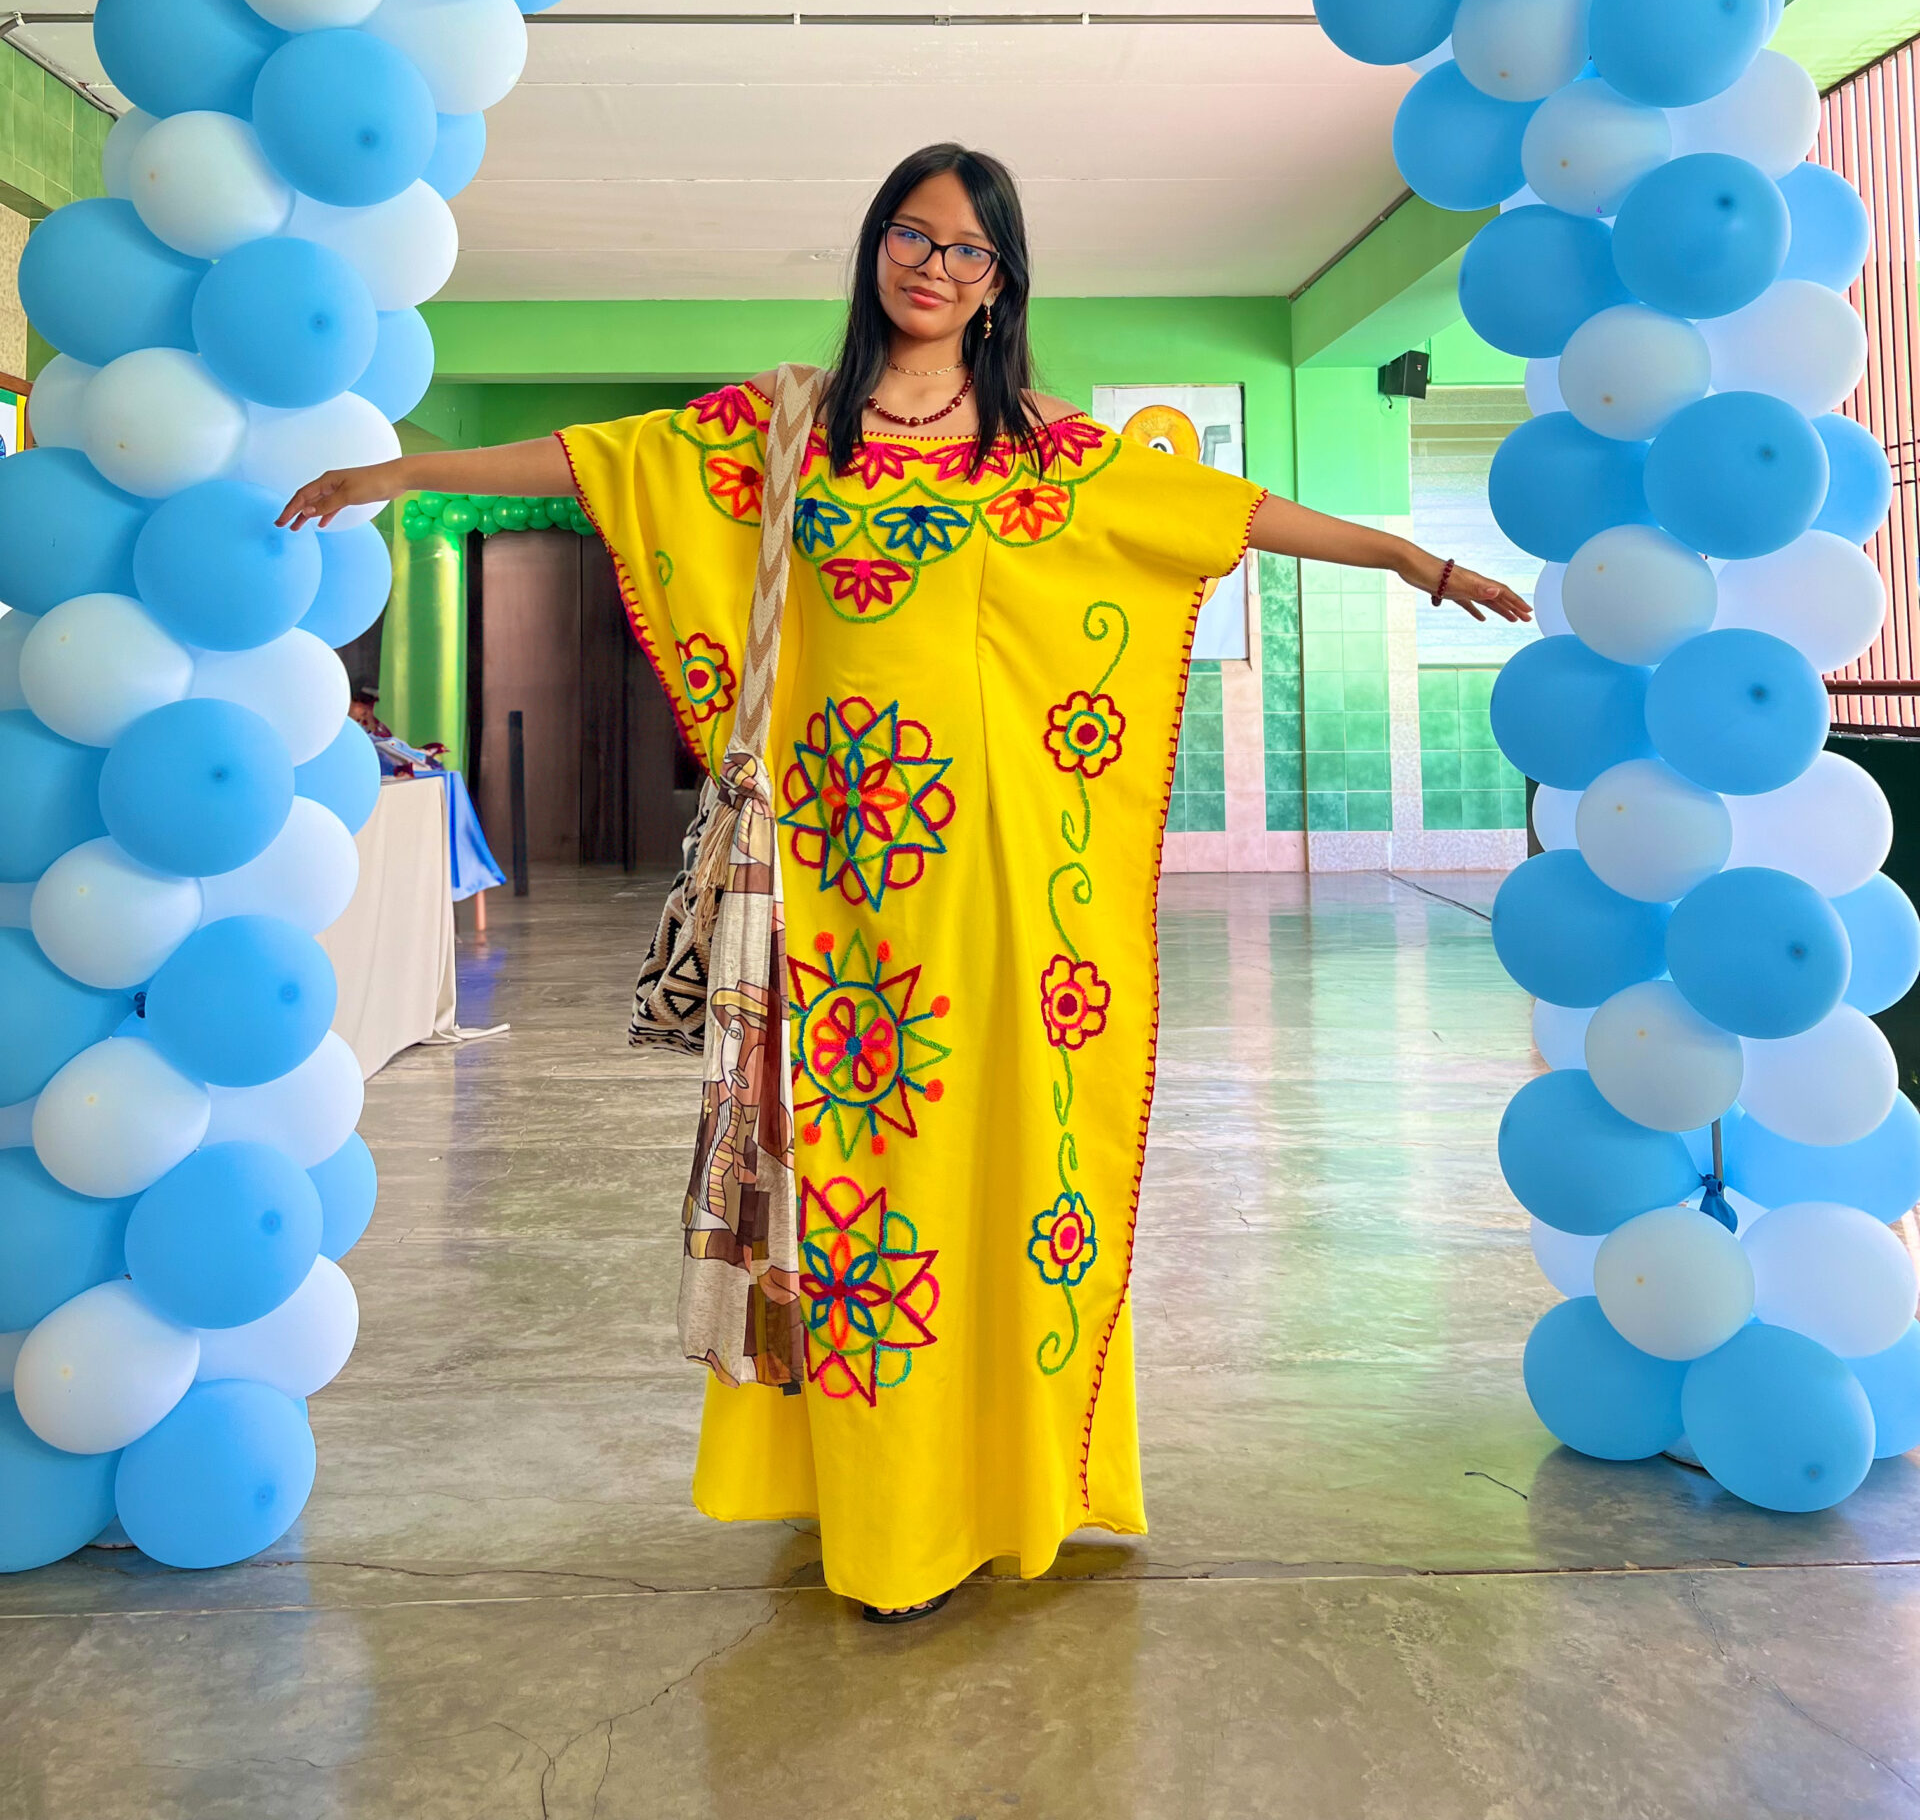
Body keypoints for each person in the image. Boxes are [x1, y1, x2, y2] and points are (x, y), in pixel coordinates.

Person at [280, 142, 1528, 1623]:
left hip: (994, 885)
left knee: (999, 1169)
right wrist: (405, 473)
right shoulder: (788, 426)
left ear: (1001, 283)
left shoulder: (1042, 451)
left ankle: (1003, 1486)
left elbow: (1224, 512)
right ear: (876, 248)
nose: (936, 267)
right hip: (832, 887)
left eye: (968, 249)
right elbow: (602, 459)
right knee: (851, 1192)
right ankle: (877, 1505)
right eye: (914, 237)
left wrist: (1406, 559)